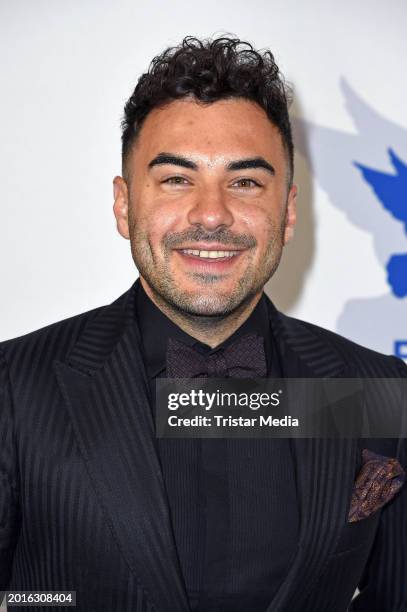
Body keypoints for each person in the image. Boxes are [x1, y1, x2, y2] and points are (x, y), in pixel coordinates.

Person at [0, 36, 406, 612]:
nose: (211, 214)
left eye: (245, 182)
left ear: (288, 211)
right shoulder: (14, 387)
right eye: (176, 179)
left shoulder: (377, 391)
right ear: (123, 205)